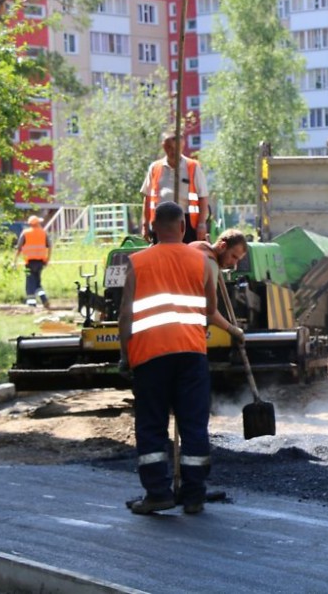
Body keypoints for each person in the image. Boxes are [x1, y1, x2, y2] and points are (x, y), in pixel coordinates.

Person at [119, 201, 218, 515]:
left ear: (152, 226)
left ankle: (158, 492)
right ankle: (194, 495)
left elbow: (125, 316)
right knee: (193, 426)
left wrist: (125, 355)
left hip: (149, 356)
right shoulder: (202, 262)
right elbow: (209, 311)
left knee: (151, 426)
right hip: (191, 355)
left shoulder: (136, 262)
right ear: (183, 227)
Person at [141, 131, 210, 244]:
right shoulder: (155, 168)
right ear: (163, 146)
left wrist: (201, 224)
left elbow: (203, 197)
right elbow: (147, 197)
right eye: (169, 147)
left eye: (176, 147)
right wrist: (145, 224)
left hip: (187, 221)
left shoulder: (192, 167)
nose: (173, 150)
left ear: (182, 146)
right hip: (161, 221)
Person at [189, 228, 249, 340]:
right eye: (233, 256)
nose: (234, 264)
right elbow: (210, 311)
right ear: (223, 246)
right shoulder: (210, 263)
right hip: (190, 332)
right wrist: (232, 330)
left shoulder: (196, 246)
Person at [13, 215, 52, 309]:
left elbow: (19, 248)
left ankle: (31, 304)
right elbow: (50, 246)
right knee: (37, 283)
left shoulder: (25, 233)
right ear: (38, 223)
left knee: (30, 284)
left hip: (29, 262)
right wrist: (47, 260)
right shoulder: (44, 233)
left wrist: (14, 261)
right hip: (40, 262)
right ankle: (44, 299)